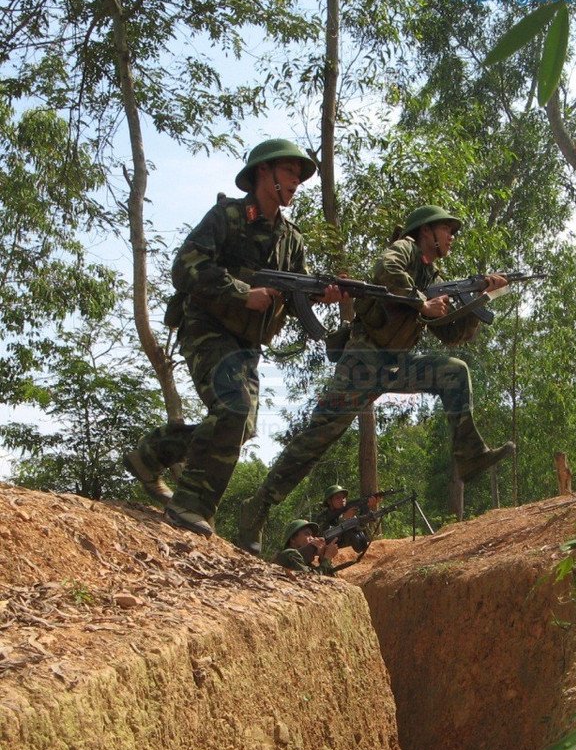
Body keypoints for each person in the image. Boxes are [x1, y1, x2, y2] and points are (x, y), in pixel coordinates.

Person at [239, 204, 515, 554]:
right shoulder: (406, 249)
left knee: (454, 371)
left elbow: (451, 335)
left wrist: (479, 298)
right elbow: (386, 268)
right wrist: (422, 303)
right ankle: (258, 506)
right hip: (363, 363)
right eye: (447, 229)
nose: (452, 236)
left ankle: (470, 454)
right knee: (317, 438)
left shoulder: (431, 277)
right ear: (426, 231)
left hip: (395, 365)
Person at [123, 138, 342, 537]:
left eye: (300, 174)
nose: (297, 181)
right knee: (233, 409)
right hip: (205, 327)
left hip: (246, 344)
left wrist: (321, 295)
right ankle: (189, 506)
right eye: (290, 171)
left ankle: (150, 455)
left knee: (241, 426)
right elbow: (184, 267)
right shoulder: (228, 216)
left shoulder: (291, 239)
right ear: (264, 171)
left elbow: (296, 295)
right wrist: (242, 292)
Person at [274, 520, 339, 575]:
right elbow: (309, 577)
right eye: (307, 534)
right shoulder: (289, 554)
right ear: (293, 538)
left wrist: (323, 558)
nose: (312, 538)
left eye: (312, 536)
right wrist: (327, 558)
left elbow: (331, 579)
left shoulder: (305, 564)